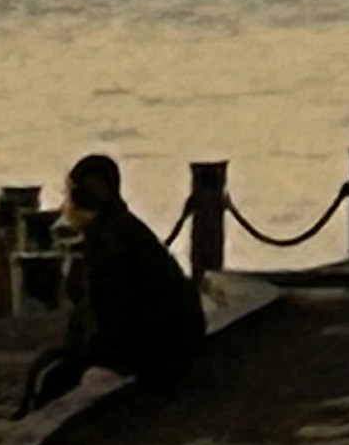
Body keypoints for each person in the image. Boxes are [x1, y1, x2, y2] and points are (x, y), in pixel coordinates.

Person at [17, 155, 208, 415]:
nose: (64, 206)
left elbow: (112, 314)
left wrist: (91, 356)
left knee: (57, 381)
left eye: (68, 197)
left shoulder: (107, 244)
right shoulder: (124, 229)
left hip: (159, 356)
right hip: (178, 347)